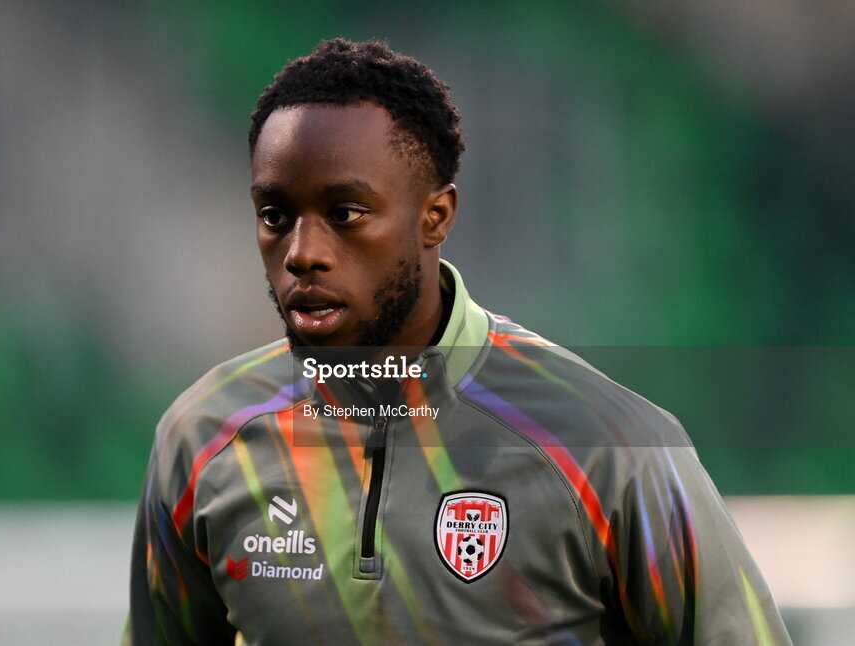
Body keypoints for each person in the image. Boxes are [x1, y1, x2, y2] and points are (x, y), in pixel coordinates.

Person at [125, 38, 792, 645]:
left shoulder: (605, 446)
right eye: (276, 216)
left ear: (435, 217)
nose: (302, 253)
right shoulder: (204, 439)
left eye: (345, 214)